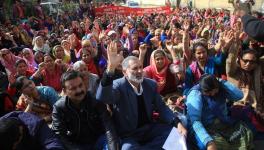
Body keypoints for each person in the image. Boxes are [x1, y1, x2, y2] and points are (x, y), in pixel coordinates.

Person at [96, 46, 187, 149]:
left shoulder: (150, 84)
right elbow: (103, 97)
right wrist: (110, 69)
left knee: (175, 133)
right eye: (135, 68)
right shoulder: (118, 86)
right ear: (125, 72)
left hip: (149, 129)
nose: (140, 71)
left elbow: (161, 107)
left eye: (140, 67)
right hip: (128, 135)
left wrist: (177, 122)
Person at [52, 71, 119, 150]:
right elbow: (60, 136)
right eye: (73, 88)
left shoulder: (95, 101)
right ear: (65, 90)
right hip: (77, 145)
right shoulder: (59, 107)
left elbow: (109, 128)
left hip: (99, 140)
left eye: (80, 85)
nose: (79, 90)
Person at [186, 74, 253, 150]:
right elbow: (195, 121)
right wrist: (209, 142)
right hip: (204, 126)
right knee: (215, 146)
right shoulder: (195, 95)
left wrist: (221, 82)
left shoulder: (220, 88)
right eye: (208, 93)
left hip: (222, 122)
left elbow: (239, 95)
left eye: (214, 91)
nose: (213, 94)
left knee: (246, 132)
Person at [0, 111, 64, 150]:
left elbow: (52, 142)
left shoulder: (36, 125)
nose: (14, 147)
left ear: (21, 131)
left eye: (15, 145)